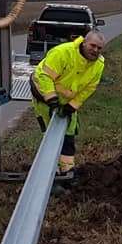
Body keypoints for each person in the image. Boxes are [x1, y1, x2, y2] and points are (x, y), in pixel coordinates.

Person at [29, 30, 106, 176]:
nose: (95, 50)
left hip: (67, 102)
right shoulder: (63, 53)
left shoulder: (98, 65)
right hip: (44, 95)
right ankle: (51, 173)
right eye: (93, 45)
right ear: (84, 43)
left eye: (99, 48)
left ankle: (67, 170)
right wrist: (52, 101)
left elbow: (89, 88)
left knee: (69, 134)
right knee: (50, 135)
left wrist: (72, 106)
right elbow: (44, 77)